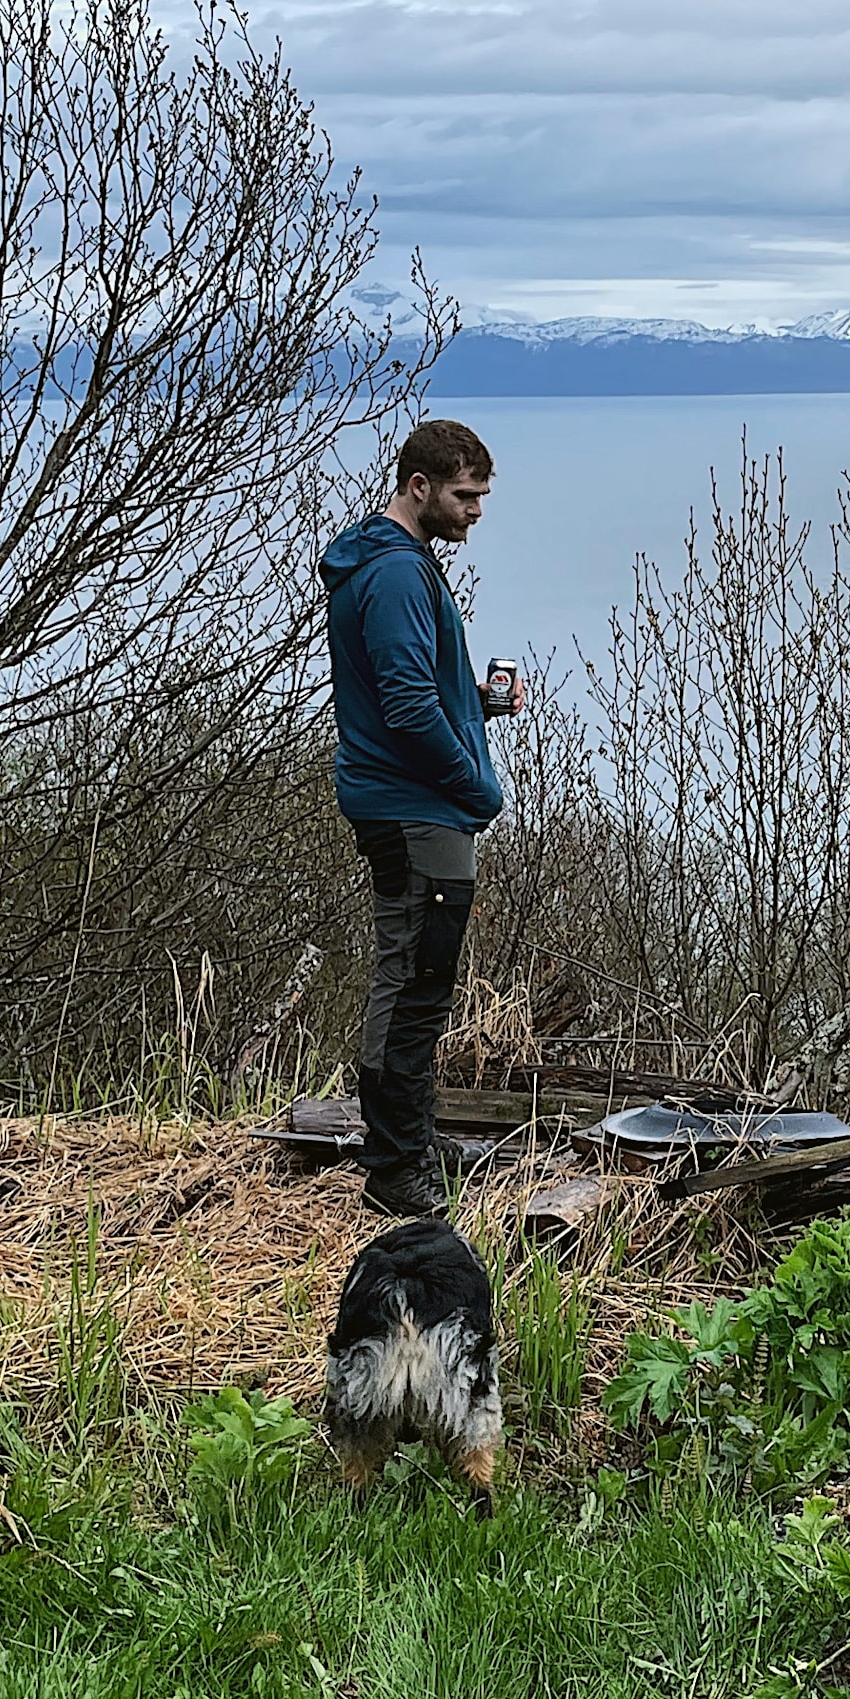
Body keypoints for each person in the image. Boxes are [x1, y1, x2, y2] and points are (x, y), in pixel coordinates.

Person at [321, 417, 517, 1227]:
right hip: (416, 808)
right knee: (411, 987)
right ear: (420, 487)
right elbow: (404, 707)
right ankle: (396, 1170)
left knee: (421, 987)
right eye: (466, 496)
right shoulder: (398, 576)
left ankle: (412, 1142)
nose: (476, 511)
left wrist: (477, 701)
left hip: (412, 801)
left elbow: (416, 686)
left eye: (481, 496)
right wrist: (477, 788)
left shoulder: (396, 563)